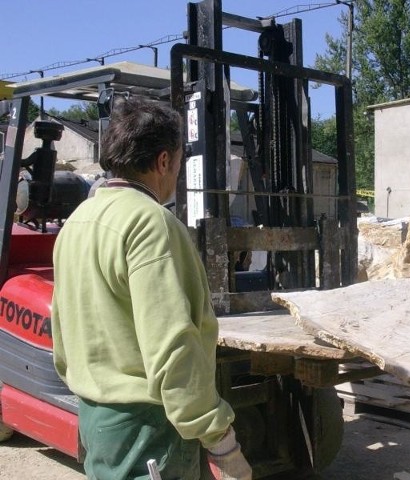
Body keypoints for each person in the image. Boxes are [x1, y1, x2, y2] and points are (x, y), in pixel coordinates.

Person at [51, 97, 251, 480]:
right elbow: (172, 345)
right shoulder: (150, 223)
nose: (175, 173)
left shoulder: (77, 222)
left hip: (98, 420)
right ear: (163, 161)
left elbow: (61, 333)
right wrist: (221, 442)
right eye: (177, 163)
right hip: (148, 429)